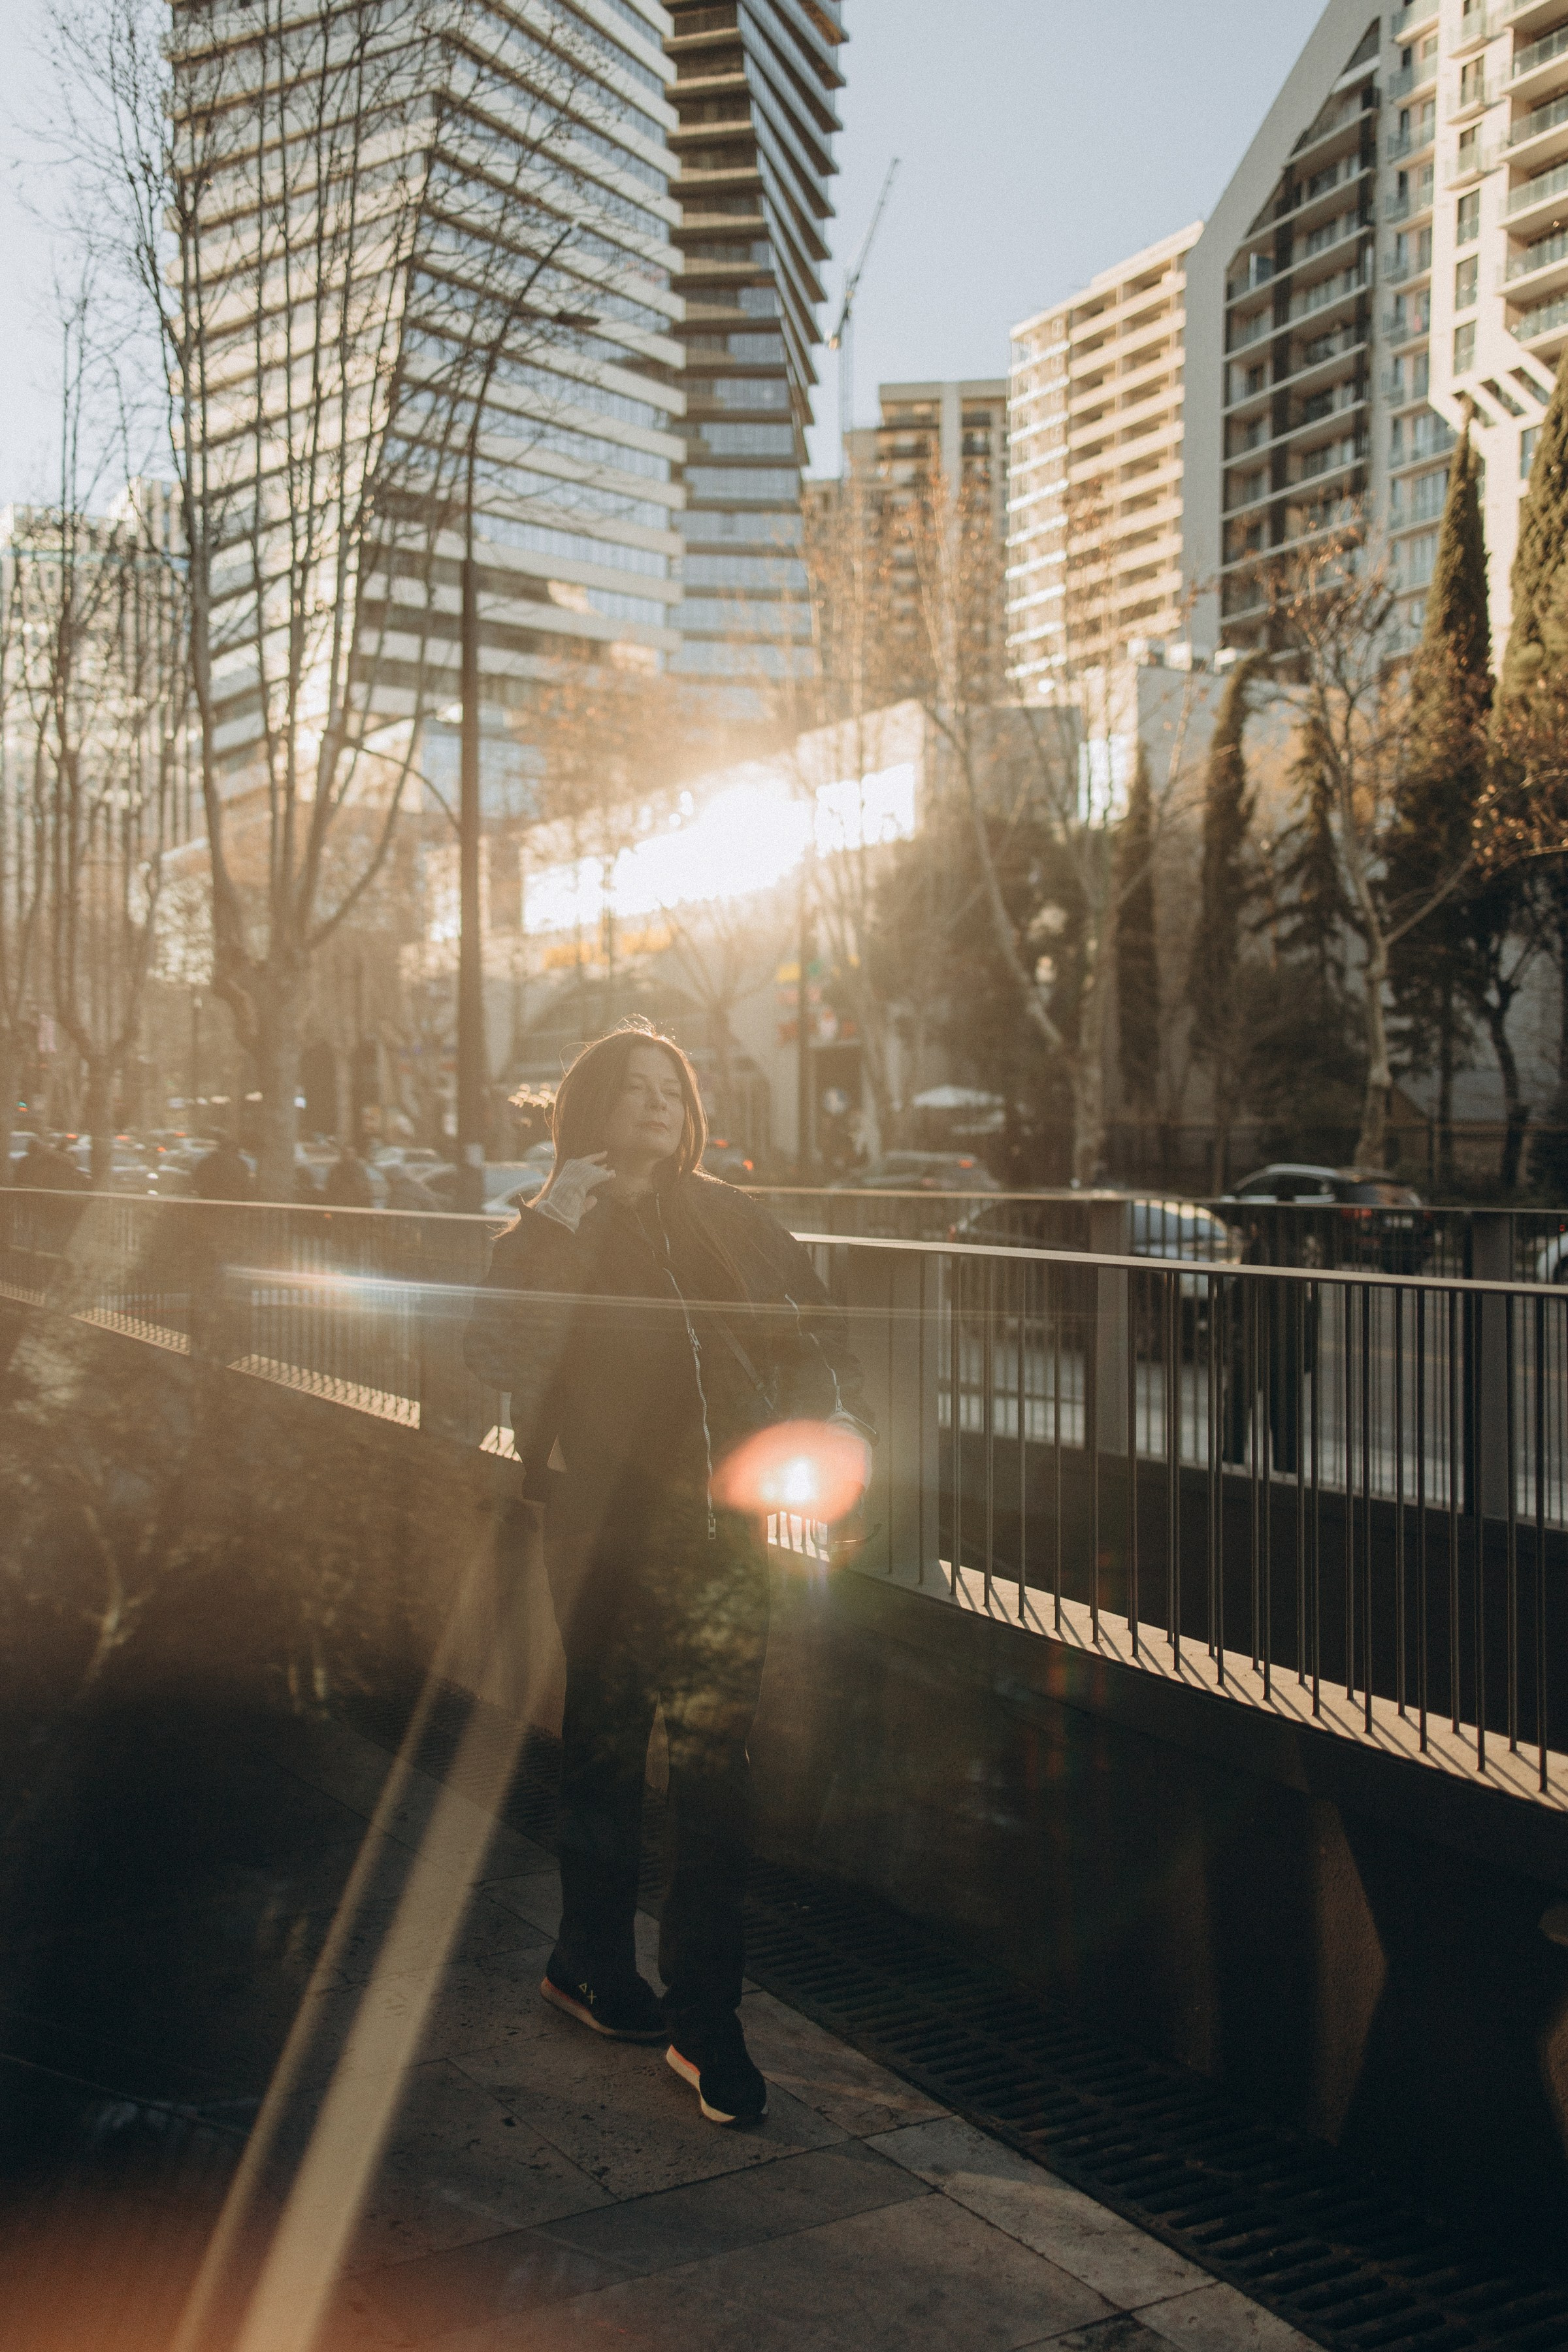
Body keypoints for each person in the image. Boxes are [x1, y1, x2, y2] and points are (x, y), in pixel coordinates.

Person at [465, 1021, 872, 2127]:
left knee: (713, 1775)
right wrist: (550, 1220)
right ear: (588, 1109)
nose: (657, 1103)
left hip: (720, 1543)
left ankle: (706, 2024)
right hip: (600, 1536)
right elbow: (496, 1355)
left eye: (670, 1088)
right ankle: (587, 1964)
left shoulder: (725, 1213)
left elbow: (813, 1312)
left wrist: (827, 1410)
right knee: (603, 1751)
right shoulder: (559, 1225)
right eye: (634, 1088)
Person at [192, 1134, 253, 1202]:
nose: (234, 1153)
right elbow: (199, 1180)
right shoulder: (209, 1162)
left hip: (229, 1202)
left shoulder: (241, 1164)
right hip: (214, 1201)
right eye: (232, 1150)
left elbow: (244, 1184)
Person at [322, 1144, 374, 1209]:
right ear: (342, 1155)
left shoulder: (360, 1170)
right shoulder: (336, 1170)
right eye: (347, 1154)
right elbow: (331, 1188)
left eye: (351, 1154)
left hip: (358, 1205)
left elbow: (366, 1187)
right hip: (341, 1205)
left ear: (355, 1155)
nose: (349, 1156)